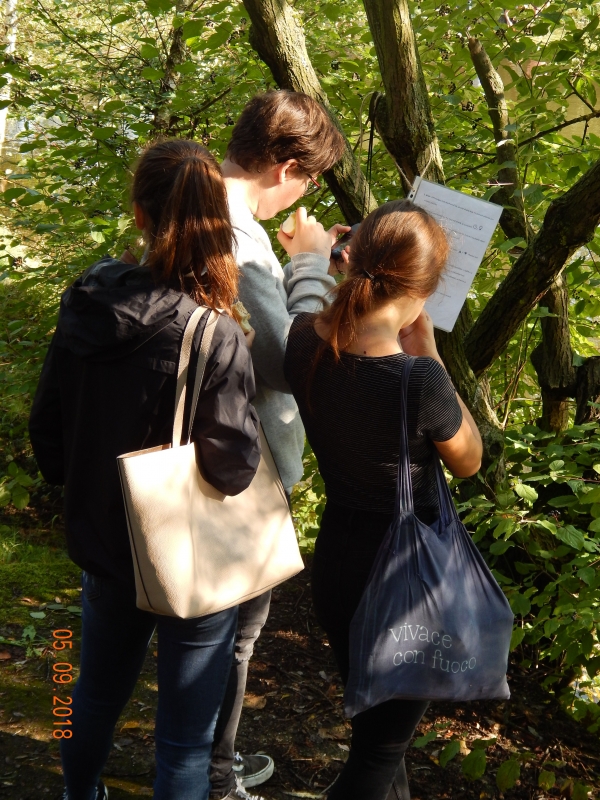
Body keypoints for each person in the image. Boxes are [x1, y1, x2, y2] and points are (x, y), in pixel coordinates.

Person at [29, 140, 262, 800]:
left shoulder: (85, 304)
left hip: (103, 546)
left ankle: (81, 794)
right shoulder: (212, 333)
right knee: (184, 740)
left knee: (89, 695)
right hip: (187, 558)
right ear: (216, 222)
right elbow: (232, 470)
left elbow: (46, 433)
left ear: (139, 213)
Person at [284, 199, 483, 800]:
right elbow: (470, 460)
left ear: (351, 263)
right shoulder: (416, 379)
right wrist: (429, 352)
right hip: (405, 578)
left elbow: (331, 324)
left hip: (339, 563)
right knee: (376, 757)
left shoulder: (302, 341)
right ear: (426, 287)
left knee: (378, 740)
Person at [208, 90, 347, 800]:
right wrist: (313, 265)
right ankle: (215, 776)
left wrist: (308, 263)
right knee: (233, 635)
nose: (305, 193)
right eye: (310, 179)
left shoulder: (190, 201)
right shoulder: (238, 232)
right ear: (287, 168)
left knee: (204, 630)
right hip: (245, 469)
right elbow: (285, 360)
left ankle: (203, 763)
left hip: (204, 459)